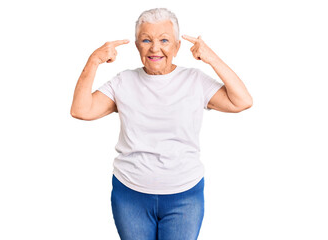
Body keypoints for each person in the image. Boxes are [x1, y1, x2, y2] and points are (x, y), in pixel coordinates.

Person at [70, 7, 252, 240]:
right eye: (146, 40)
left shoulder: (195, 80)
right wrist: (93, 61)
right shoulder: (123, 81)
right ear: (137, 46)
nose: (155, 48)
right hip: (130, 195)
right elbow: (81, 110)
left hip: (184, 195)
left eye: (164, 40)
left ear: (177, 46)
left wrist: (211, 58)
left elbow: (242, 102)